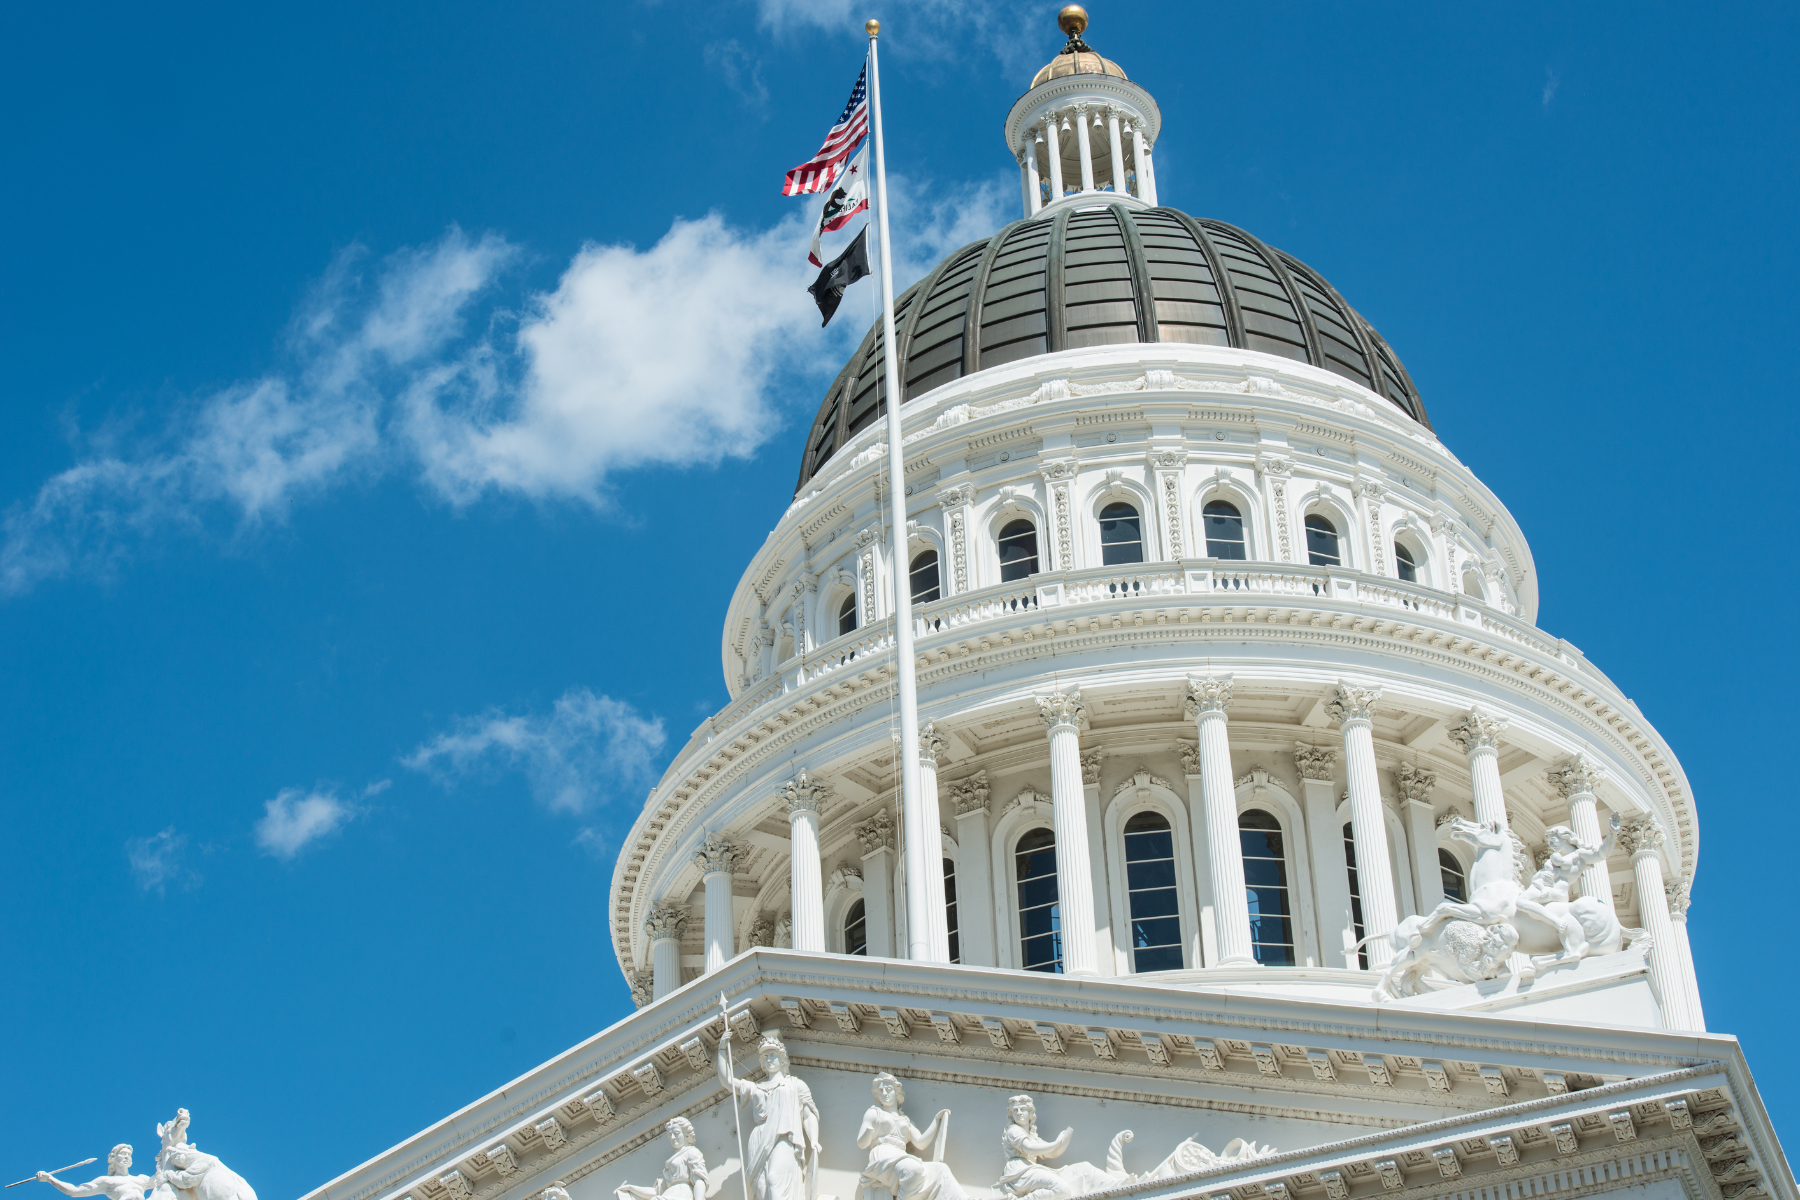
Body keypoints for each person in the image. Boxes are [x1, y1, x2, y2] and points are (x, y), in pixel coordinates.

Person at [716, 1028, 820, 1200]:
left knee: (774, 1179)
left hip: (783, 1136)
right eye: (765, 1057)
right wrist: (721, 1051)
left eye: (772, 1055)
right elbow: (726, 1081)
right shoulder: (756, 1088)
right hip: (758, 1138)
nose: (769, 1059)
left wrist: (814, 1141)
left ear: (782, 1058)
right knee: (762, 1188)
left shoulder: (795, 1085)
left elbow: (809, 1115)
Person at [855, 1074, 961, 1200]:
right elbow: (861, 1143)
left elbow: (921, 1143)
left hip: (902, 1157)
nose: (884, 1093)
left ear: (896, 1092)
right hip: (883, 1156)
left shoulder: (905, 1120)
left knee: (940, 1169)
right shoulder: (874, 1113)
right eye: (880, 1091)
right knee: (913, 1169)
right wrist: (868, 1131)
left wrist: (936, 1121)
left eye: (888, 1089)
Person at [994, 1096, 1073, 1200]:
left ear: (1030, 1113)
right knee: (1062, 1190)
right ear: (1011, 1114)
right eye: (1015, 1110)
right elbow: (1029, 1148)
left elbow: (1053, 1153)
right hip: (1019, 1173)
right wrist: (1056, 1143)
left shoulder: (1032, 1137)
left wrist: (1066, 1137)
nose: (1018, 1113)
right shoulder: (1013, 1131)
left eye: (1022, 1109)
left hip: (1029, 1170)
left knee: (1063, 1190)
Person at [615, 1119, 709, 1200]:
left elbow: (699, 1180)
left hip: (682, 1194)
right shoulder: (669, 1163)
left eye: (676, 1133)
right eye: (670, 1135)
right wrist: (630, 1188)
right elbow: (656, 1191)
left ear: (686, 1135)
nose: (672, 1138)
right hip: (668, 1194)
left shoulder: (692, 1152)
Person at [36, 1146, 149, 1200]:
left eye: (129, 1155)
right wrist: (50, 1179)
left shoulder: (141, 1179)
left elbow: (163, 1176)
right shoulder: (106, 1181)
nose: (127, 1157)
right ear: (113, 1158)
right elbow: (74, 1191)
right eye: (123, 1154)